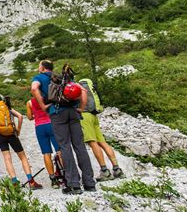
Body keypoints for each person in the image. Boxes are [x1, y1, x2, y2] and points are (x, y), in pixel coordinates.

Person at [31, 61, 96, 194]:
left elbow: (33, 89)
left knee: (65, 147)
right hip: (73, 112)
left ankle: (74, 184)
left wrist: (43, 106)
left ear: (42, 68)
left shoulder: (39, 78)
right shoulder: (64, 78)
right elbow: (83, 91)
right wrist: (81, 108)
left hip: (57, 113)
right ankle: (89, 183)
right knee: (80, 146)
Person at [0, 94, 43, 189]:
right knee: (22, 157)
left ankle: (14, 182)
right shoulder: (8, 108)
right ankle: (31, 181)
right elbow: (20, 116)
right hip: (12, 134)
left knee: (7, 158)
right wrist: (18, 130)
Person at [78, 78, 124, 181]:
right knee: (102, 142)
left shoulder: (80, 89)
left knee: (92, 142)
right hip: (94, 116)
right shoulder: (91, 89)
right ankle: (117, 169)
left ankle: (104, 171)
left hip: (85, 116)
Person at [26, 97, 62, 188]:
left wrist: (37, 115)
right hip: (51, 124)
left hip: (39, 128)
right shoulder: (47, 98)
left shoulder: (29, 102)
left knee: (46, 153)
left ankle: (53, 180)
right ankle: (65, 175)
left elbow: (30, 117)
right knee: (59, 151)